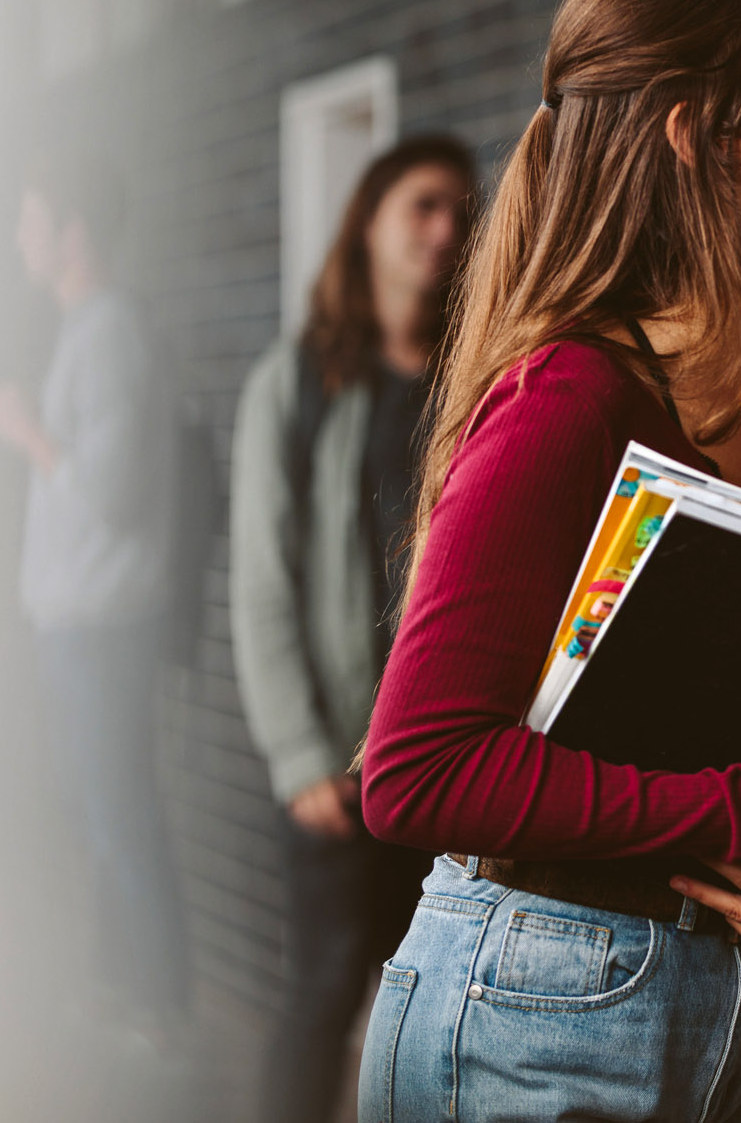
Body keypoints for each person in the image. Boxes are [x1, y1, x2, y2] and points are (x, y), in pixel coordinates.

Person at [356, 0, 741, 1123]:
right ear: (705, 138)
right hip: (523, 1014)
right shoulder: (572, 398)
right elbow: (415, 772)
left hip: (714, 1015)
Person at [229, 134, 477, 1123]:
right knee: (326, 993)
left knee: (429, 1015)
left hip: (448, 758)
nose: (445, 229)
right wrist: (297, 753)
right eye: (422, 205)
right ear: (367, 220)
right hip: (337, 762)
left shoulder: (477, 377)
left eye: (461, 210)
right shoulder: (297, 384)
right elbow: (261, 579)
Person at [0, 157, 192, 1041]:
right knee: (106, 809)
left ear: (74, 232)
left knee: (119, 812)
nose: (22, 239)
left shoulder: (109, 334)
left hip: (103, 623)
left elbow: (106, 491)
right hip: (81, 619)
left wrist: (29, 432)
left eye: (33, 221)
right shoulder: (89, 329)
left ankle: (156, 1005)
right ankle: (127, 991)